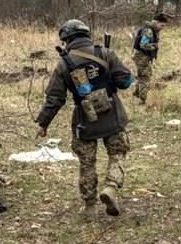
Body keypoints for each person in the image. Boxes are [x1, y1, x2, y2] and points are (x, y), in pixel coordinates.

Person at [35, 19, 134, 219]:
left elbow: (55, 99)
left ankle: (90, 207)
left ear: (66, 40)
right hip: (113, 116)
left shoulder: (64, 64)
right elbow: (125, 81)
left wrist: (43, 123)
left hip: (84, 121)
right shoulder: (105, 54)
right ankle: (111, 187)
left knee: (87, 163)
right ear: (86, 35)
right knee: (117, 154)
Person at [132, 12, 169, 104]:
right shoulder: (149, 31)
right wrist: (155, 46)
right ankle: (141, 100)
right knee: (145, 77)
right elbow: (143, 45)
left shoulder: (151, 29)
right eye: (162, 25)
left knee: (142, 76)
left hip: (141, 55)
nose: (162, 28)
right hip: (141, 56)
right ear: (156, 22)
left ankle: (136, 95)